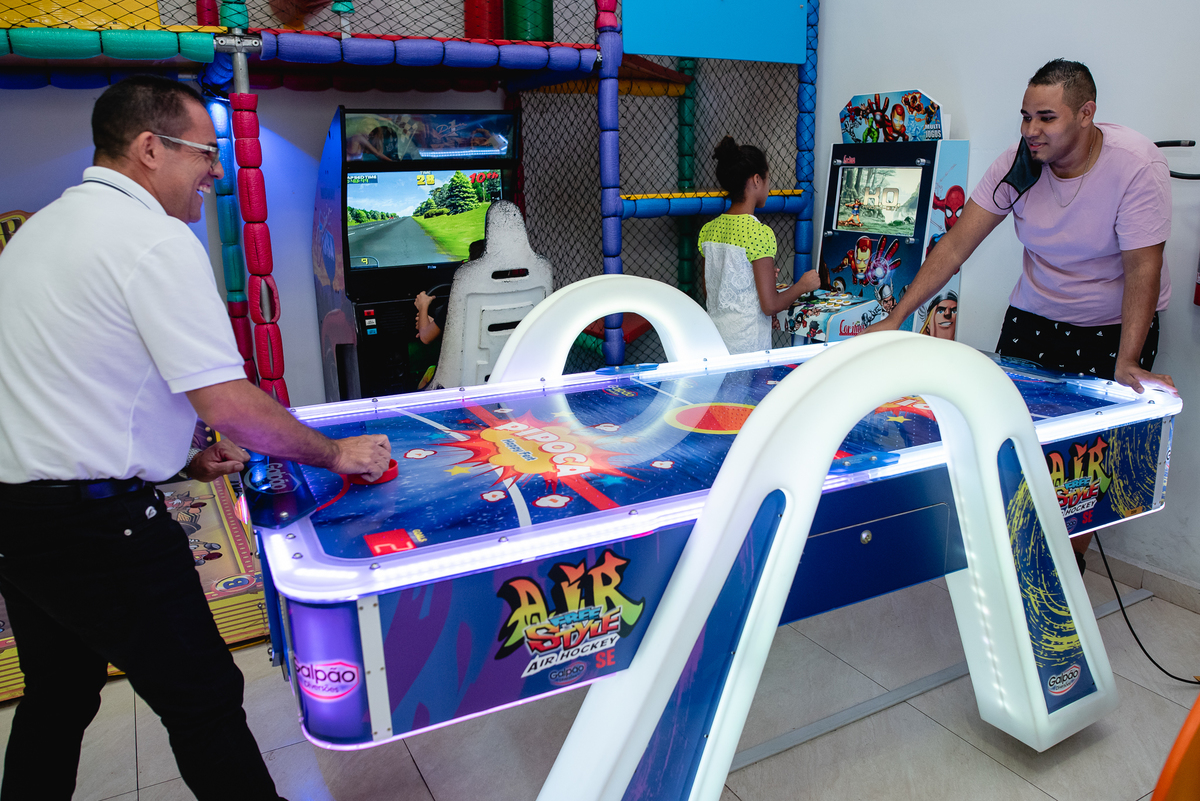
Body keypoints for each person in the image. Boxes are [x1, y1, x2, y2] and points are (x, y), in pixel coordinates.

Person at [0, 75, 391, 800]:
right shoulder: (152, 239)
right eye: (206, 153)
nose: (216, 170)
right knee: (203, 697)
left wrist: (182, 459)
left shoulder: (43, 231)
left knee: (59, 691)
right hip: (97, 526)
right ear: (150, 148)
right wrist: (338, 453)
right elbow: (229, 402)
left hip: (19, 517)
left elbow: (66, 389)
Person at [865, 58, 1175, 569]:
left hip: (1113, 330)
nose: (1031, 130)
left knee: (1083, 468)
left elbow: (1143, 267)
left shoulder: (1135, 165)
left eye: (1046, 118)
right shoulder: (1018, 164)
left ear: (1086, 114)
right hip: (1035, 317)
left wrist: (1127, 360)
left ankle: (1062, 576)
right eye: (1026, 116)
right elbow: (955, 245)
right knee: (1007, 441)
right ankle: (1011, 563)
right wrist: (896, 317)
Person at [700, 136, 822, 354]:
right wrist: (803, 285)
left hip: (715, 342)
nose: (768, 185)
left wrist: (751, 280)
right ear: (757, 180)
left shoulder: (708, 231)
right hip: (747, 346)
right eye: (768, 179)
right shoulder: (758, 233)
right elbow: (770, 306)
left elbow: (714, 292)